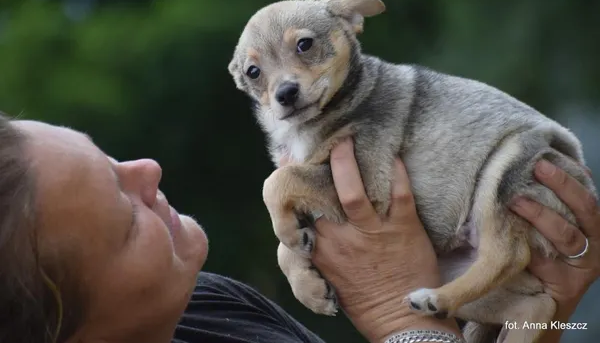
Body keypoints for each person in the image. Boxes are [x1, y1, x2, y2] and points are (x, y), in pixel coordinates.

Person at [0, 112, 598, 343]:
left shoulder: (206, 310)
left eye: (111, 160)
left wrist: (522, 316)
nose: (148, 172)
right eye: (127, 218)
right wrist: (403, 320)